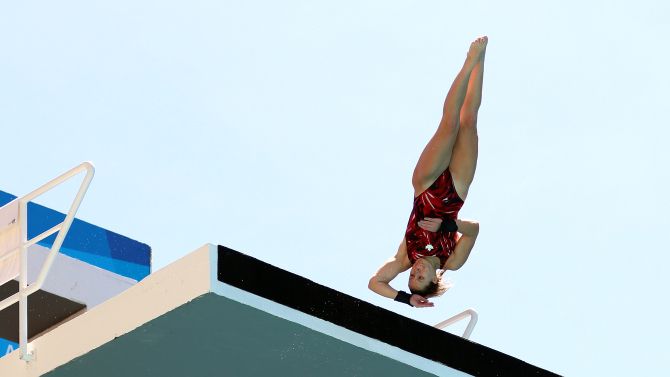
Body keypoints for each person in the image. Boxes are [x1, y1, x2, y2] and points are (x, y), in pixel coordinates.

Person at [368, 37, 487, 308]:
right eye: (420, 277)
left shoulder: (406, 257)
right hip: (456, 191)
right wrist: (447, 225)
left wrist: (407, 299)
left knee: (449, 124)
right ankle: (481, 61)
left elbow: (375, 282)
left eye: (411, 275)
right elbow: (474, 230)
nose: (415, 270)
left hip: (426, 186)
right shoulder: (452, 262)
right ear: (434, 278)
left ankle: (468, 62)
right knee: (468, 121)